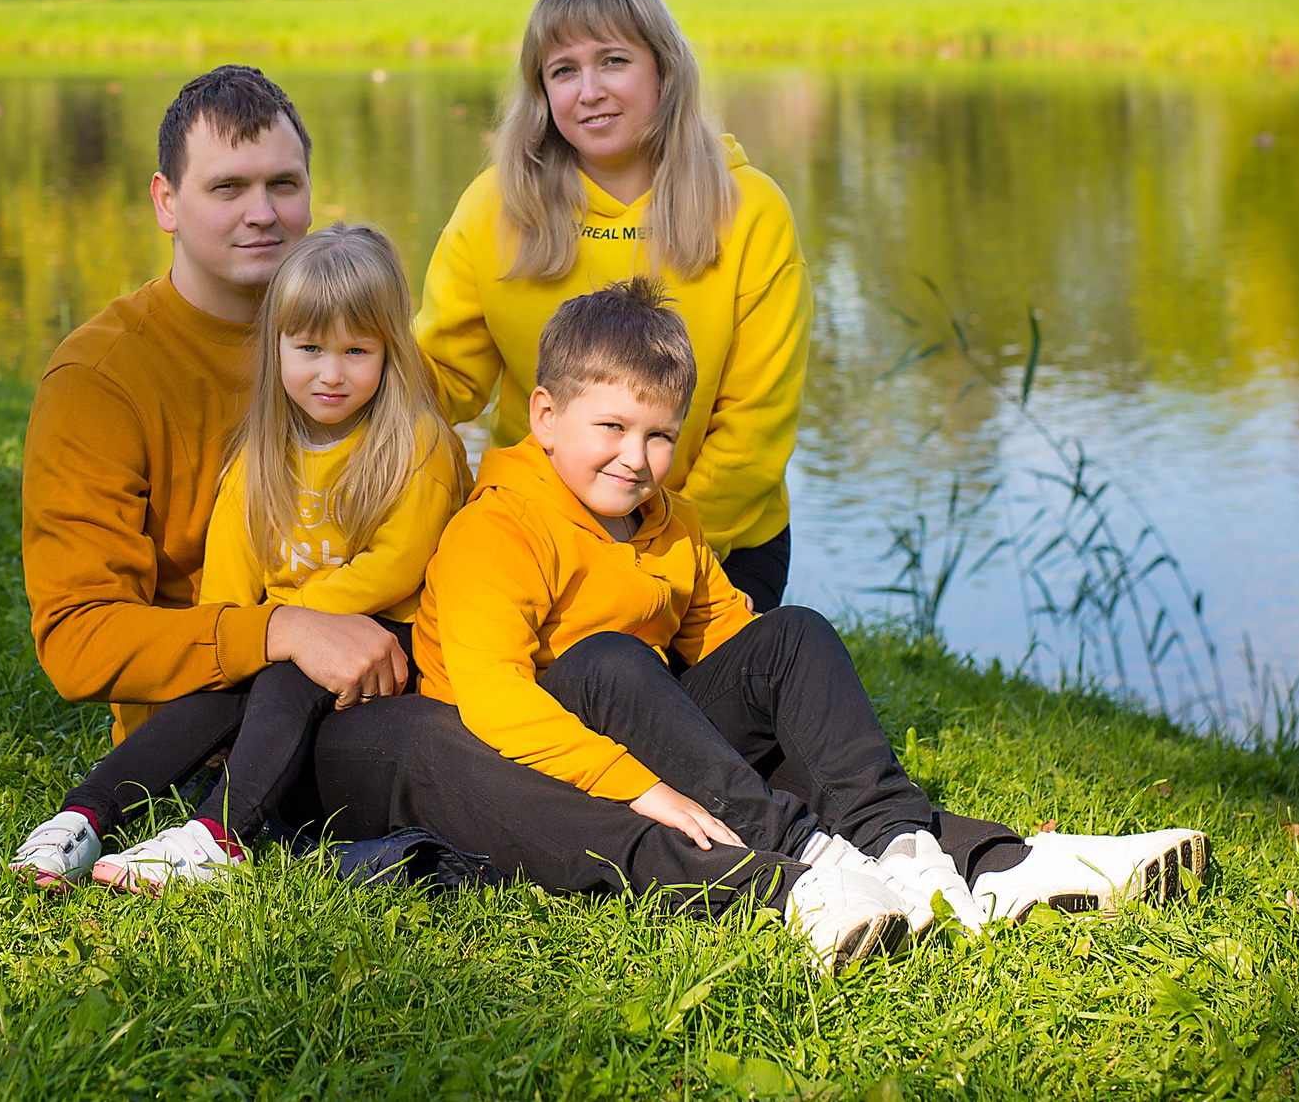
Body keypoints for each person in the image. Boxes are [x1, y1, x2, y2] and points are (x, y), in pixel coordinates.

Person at [361, 278, 1212, 972]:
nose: (636, 457)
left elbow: (734, 649)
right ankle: (809, 860)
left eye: (660, 434)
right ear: (545, 417)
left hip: (640, 717)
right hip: (539, 746)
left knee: (790, 633)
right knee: (616, 661)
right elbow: (494, 699)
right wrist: (645, 788)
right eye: (611, 426)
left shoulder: (672, 520)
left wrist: (791, 712)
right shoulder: (498, 527)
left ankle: (924, 849)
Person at [9, 67, 411, 889]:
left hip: (363, 686)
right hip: (204, 737)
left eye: (283, 184)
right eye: (228, 186)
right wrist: (283, 629)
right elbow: (78, 642)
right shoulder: (100, 376)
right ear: (166, 201)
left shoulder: (361, 351)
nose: (263, 212)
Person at [22, 226, 469, 893]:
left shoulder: (415, 442)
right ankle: (89, 810)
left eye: (356, 350)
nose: (330, 371)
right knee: (223, 682)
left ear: (390, 352)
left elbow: (397, 563)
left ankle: (219, 835)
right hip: (291, 628)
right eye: (309, 348)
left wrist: (290, 625)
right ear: (277, 347)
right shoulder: (261, 453)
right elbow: (228, 582)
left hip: (383, 635)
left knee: (287, 672)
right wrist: (248, 638)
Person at [415, 0, 808, 612]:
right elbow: (441, 381)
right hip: (540, 533)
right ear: (541, 91)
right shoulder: (494, 206)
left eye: (614, 60)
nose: (588, 90)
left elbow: (754, 430)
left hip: (714, 539)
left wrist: (647, 553)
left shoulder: (750, 210)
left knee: (676, 701)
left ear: (664, 69)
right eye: (563, 70)